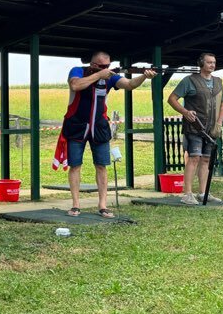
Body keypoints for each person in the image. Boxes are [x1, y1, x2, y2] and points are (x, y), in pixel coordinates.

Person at [60, 51, 156, 217]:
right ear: (93, 65)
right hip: (76, 125)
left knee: (102, 165)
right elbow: (75, 85)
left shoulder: (110, 77)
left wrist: (144, 76)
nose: (108, 69)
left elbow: (130, 84)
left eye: (108, 66)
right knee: (75, 165)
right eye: (103, 66)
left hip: (99, 126)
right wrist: (99, 75)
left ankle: (103, 205)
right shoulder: (78, 71)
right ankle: (75, 205)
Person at [167, 52, 223, 205]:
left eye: (214, 62)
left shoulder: (219, 82)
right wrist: (185, 112)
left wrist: (219, 122)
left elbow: (222, 105)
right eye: (209, 62)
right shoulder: (189, 80)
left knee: (206, 159)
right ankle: (187, 194)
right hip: (194, 127)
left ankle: (203, 193)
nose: (212, 65)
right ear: (201, 64)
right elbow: (172, 99)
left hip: (212, 128)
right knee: (194, 158)